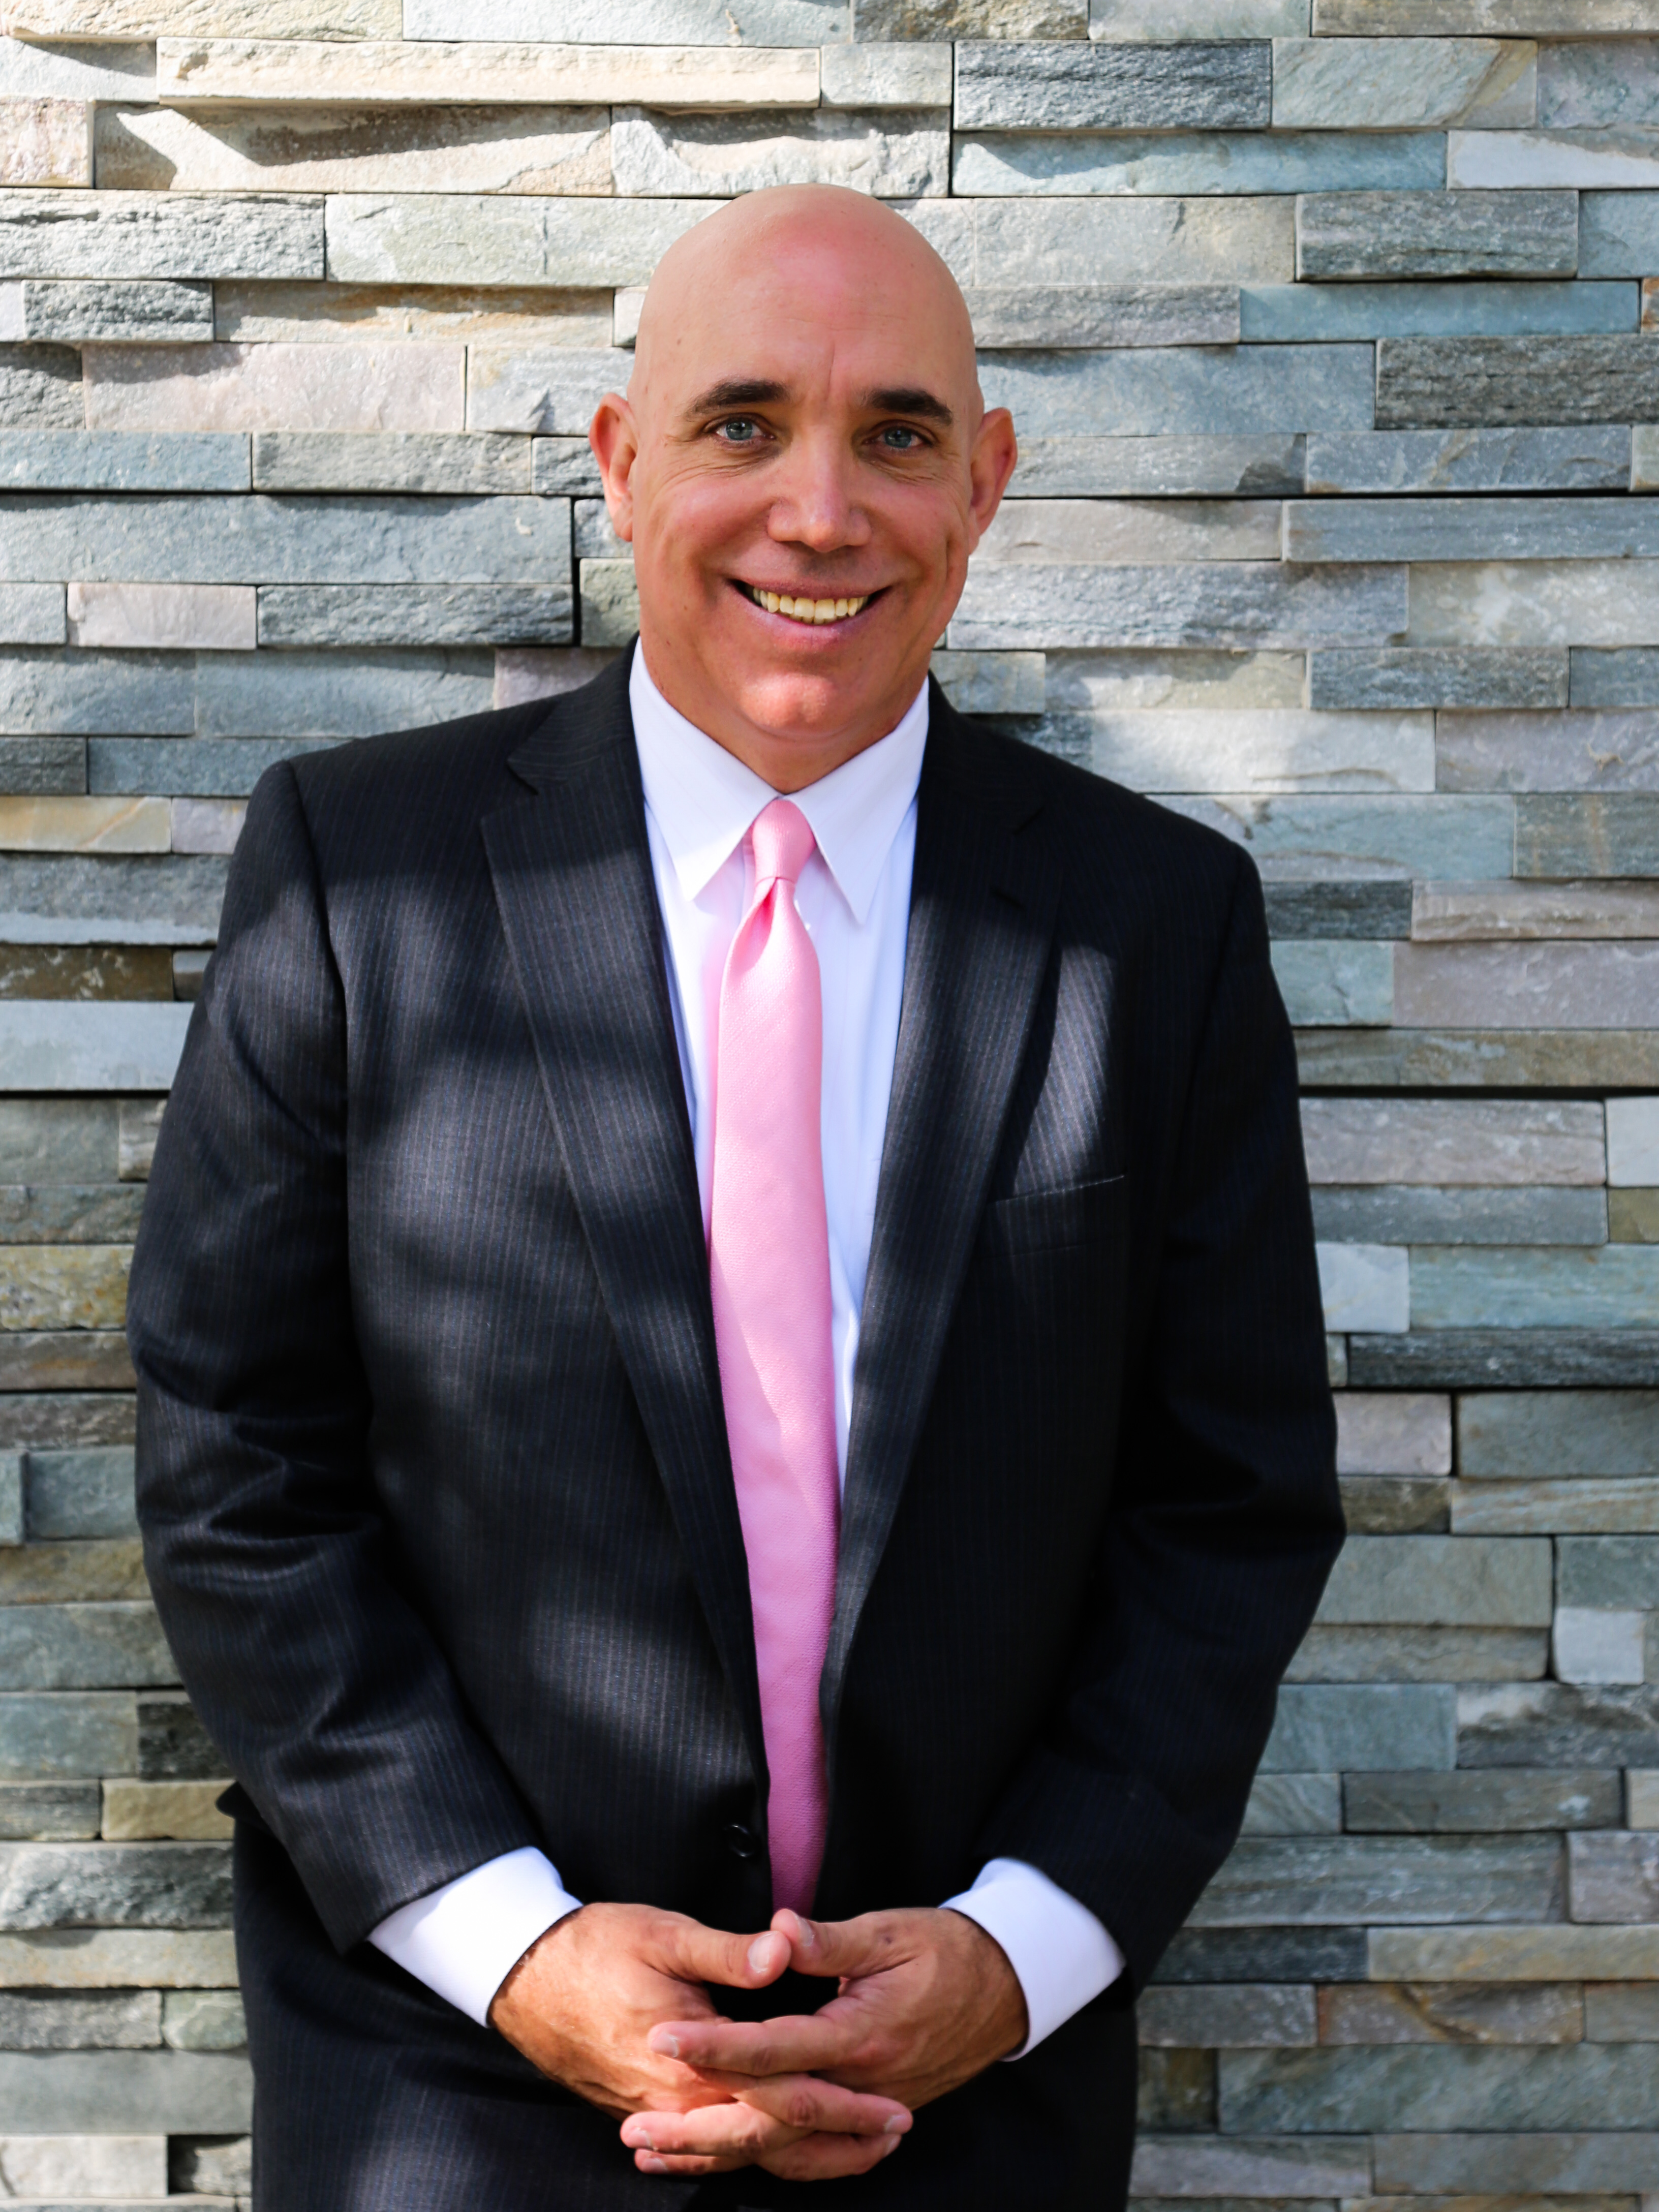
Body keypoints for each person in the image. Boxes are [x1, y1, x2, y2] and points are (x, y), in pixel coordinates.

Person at [128, 184, 1342, 2211]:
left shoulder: (1156, 928)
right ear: (623, 464)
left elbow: (1228, 1502)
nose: (820, 508)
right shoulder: (361, 873)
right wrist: (514, 1945)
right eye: (744, 424)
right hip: (453, 2072)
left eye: (896, 435)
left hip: (965, 2091)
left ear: (985, 483)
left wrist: (1017, 1952)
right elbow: (237, 1458)